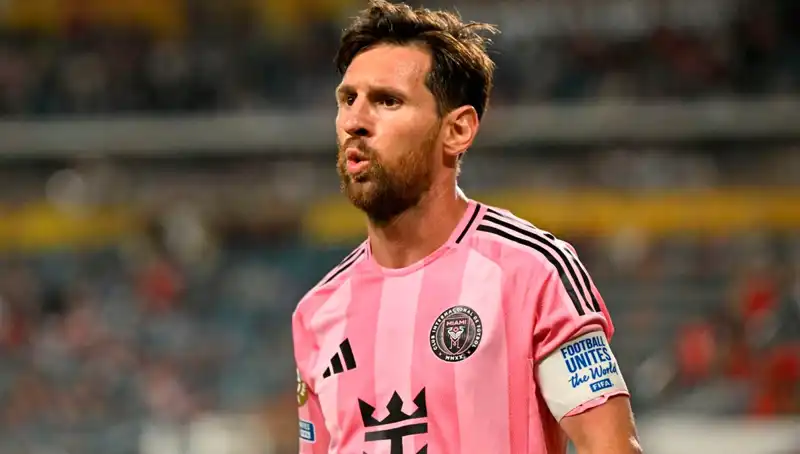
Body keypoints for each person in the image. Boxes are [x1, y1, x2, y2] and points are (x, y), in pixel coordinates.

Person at [292, 1, 642, 453]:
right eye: (348, 100)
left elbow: (611, 448)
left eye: (387, 101)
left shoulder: (531, 272)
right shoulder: (318, 312)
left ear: (457, 130)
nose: (355, 121)